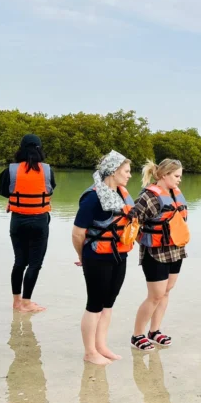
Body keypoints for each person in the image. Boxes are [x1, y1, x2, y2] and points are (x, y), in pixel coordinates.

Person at [72, 151, 136, 366]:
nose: (129, 175)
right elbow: (77, 233)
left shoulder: (121, 195)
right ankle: (89, 352)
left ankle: (101, 346)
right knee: (95, 304)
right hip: (96, 257)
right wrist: (82, 256)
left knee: (108, 303)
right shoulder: (92, 197)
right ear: (113, 171)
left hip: (119, 255)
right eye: (126, 171)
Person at [130, 159, 190, 351]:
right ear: (164, 175)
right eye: (176, 176)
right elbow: (132, 222)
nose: (179, 180)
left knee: (166, 291)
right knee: (155, 295)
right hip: (155, 252)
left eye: (180, 176)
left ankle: (154, 331)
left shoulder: (174, 193)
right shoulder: (148, 197)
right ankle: (137, 335)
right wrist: (143, 240)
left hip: (176, 250)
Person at [0, 134, 55, 313]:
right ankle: (27, 303)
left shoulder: (11, 170)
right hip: (39, 221)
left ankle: (16, 302)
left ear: (21, 149)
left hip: (18, 221)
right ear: (40, 149)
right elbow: (50, 189)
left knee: (19, 262)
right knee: (35, 264)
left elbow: (3, 190)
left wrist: (16, 198)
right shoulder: (47, 170)